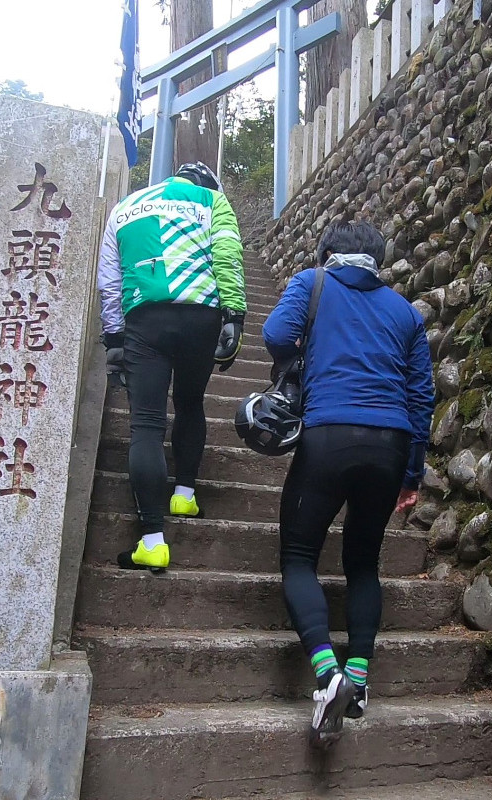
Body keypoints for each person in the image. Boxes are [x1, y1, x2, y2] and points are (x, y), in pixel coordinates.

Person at [262, 220, 434, 748]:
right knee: (363, 562)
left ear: (328, 251)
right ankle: (357, 682)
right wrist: (412, 472)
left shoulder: (311, 282)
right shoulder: (405, 311)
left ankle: (325, 672)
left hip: (328, 433)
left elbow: (273, 335)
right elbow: (421, 395)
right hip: (390, 445)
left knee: (297, 557)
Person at [97, 161, 246, 573]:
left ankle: (152, 541)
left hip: (145, 320)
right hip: (201, 315)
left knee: (145, 425)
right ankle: (184, 493)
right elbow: (227, 255)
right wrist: (234, 315)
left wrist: (114, 338)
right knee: (190, 403)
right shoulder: (213, 200)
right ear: (203, 182)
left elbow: (109, 279)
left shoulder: (124, 207)